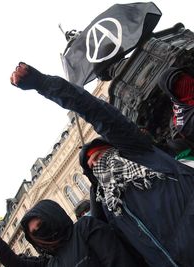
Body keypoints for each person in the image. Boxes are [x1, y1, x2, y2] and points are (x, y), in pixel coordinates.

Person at [11, 62, 194, 267]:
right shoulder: (112, 209)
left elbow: (92, 109)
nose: (94, 162)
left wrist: (42, 83)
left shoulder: (140, 154)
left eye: (97, 155)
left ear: (115, 148)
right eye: (91, 165)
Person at [0, 199, 143, 267]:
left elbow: (119, 261)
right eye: (35, 233)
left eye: (41, 225)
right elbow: (16, 264)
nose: (40, 232)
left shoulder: (85, 228)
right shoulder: (51, 262)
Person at [158, 66, 194, 167]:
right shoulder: (185, 121)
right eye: (176, 83)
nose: (184, 82)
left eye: (182, 76)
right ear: (172, 92)